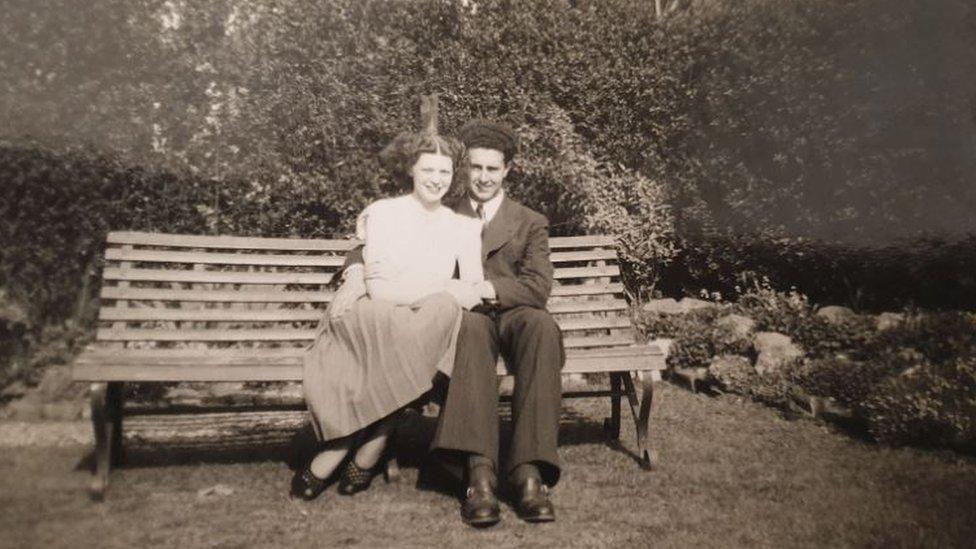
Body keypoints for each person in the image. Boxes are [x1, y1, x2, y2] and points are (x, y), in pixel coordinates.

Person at [332, 120, 565, 526]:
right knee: (471, 330)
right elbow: (376, 241)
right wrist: (353, 272)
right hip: (463, 317)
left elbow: (537, 287)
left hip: (514, 313)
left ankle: (530, 473)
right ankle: (479, 475)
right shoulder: (441, 209)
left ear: (507, 170)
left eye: (493, 169)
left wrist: (484, 289)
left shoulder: (529, 221)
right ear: (464, 170)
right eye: (475, 168)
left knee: (543, 327)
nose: (484, 177)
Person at [292, 129, 484, 501]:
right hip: (374, 319)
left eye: (445, 172)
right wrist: (443, 284)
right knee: (433, 312)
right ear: (411, 169)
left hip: (422, 324)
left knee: (442, 313)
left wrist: (434, 289)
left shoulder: (463, 226)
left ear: (454, 176)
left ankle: (365, 440)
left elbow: (472, 290)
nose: (436, 180)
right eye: (428, 169)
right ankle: (357, 441)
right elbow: (380, 291)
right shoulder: (382, 213)